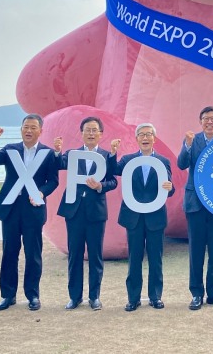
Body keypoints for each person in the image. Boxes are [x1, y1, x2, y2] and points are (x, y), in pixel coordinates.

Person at [0, 114, 59, 312]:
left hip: (33, 209)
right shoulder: (11, 150)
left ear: (40, 131)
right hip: (10, 208)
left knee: (33, 254)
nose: (28, 130)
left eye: (33, 127)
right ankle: (8, 295)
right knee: (9, 252)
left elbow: (53, 181)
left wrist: (41, 193)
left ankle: (33, 295)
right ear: (21, 129)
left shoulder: (48, 153)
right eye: (25, 126)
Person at [56, 116, 120, 311]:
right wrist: (57, 152)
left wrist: (101, 186)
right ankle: (74, 297)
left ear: (101, 134)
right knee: (74, 255)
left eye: (94, 130)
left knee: (95, 255)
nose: (91, 133)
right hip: (74, 211)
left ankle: (95, 297)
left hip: (96, 213)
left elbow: (114, 181)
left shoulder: (107, 156)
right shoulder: (72, 154)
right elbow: (59, 164)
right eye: (87, 130)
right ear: (81, 133)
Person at [115, 123, 175, 311]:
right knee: (134, 258)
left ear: (154, 139)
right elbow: (111, 170)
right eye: (141, 134)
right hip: (133, 217)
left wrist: (170, 187)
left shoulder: (163, 161)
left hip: (155, 217)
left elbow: (169, 188)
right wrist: (112, 152)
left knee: (156, 258)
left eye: (149, 134)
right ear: (137, 139)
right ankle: (133, 298)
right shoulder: (127, 160)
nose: (145, 137)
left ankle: (155, 297)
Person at [177, 106, 213, 310]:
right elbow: (181, 164)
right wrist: (187, 146)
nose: (209, 122)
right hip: (196, 204)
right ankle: (196, 293)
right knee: (196, 250)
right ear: (200, 122)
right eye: (206, 119)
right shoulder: (192, 140)